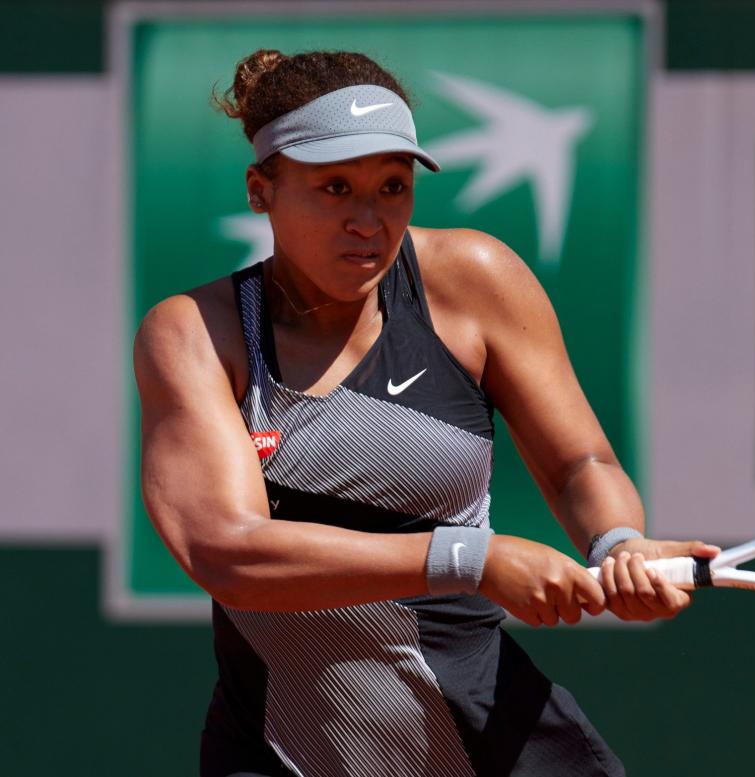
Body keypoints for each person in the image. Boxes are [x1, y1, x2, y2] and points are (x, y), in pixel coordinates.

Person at [133, 49, 718, 777]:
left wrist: (617, 542)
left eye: (392, 186)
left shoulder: (474, 280)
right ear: (261, 190)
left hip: (487, 731)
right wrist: (469, 558)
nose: (368, 220)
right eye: (335, 187)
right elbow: (229, 551)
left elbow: (579, 463)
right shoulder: (195, 331)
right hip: (284, 748)